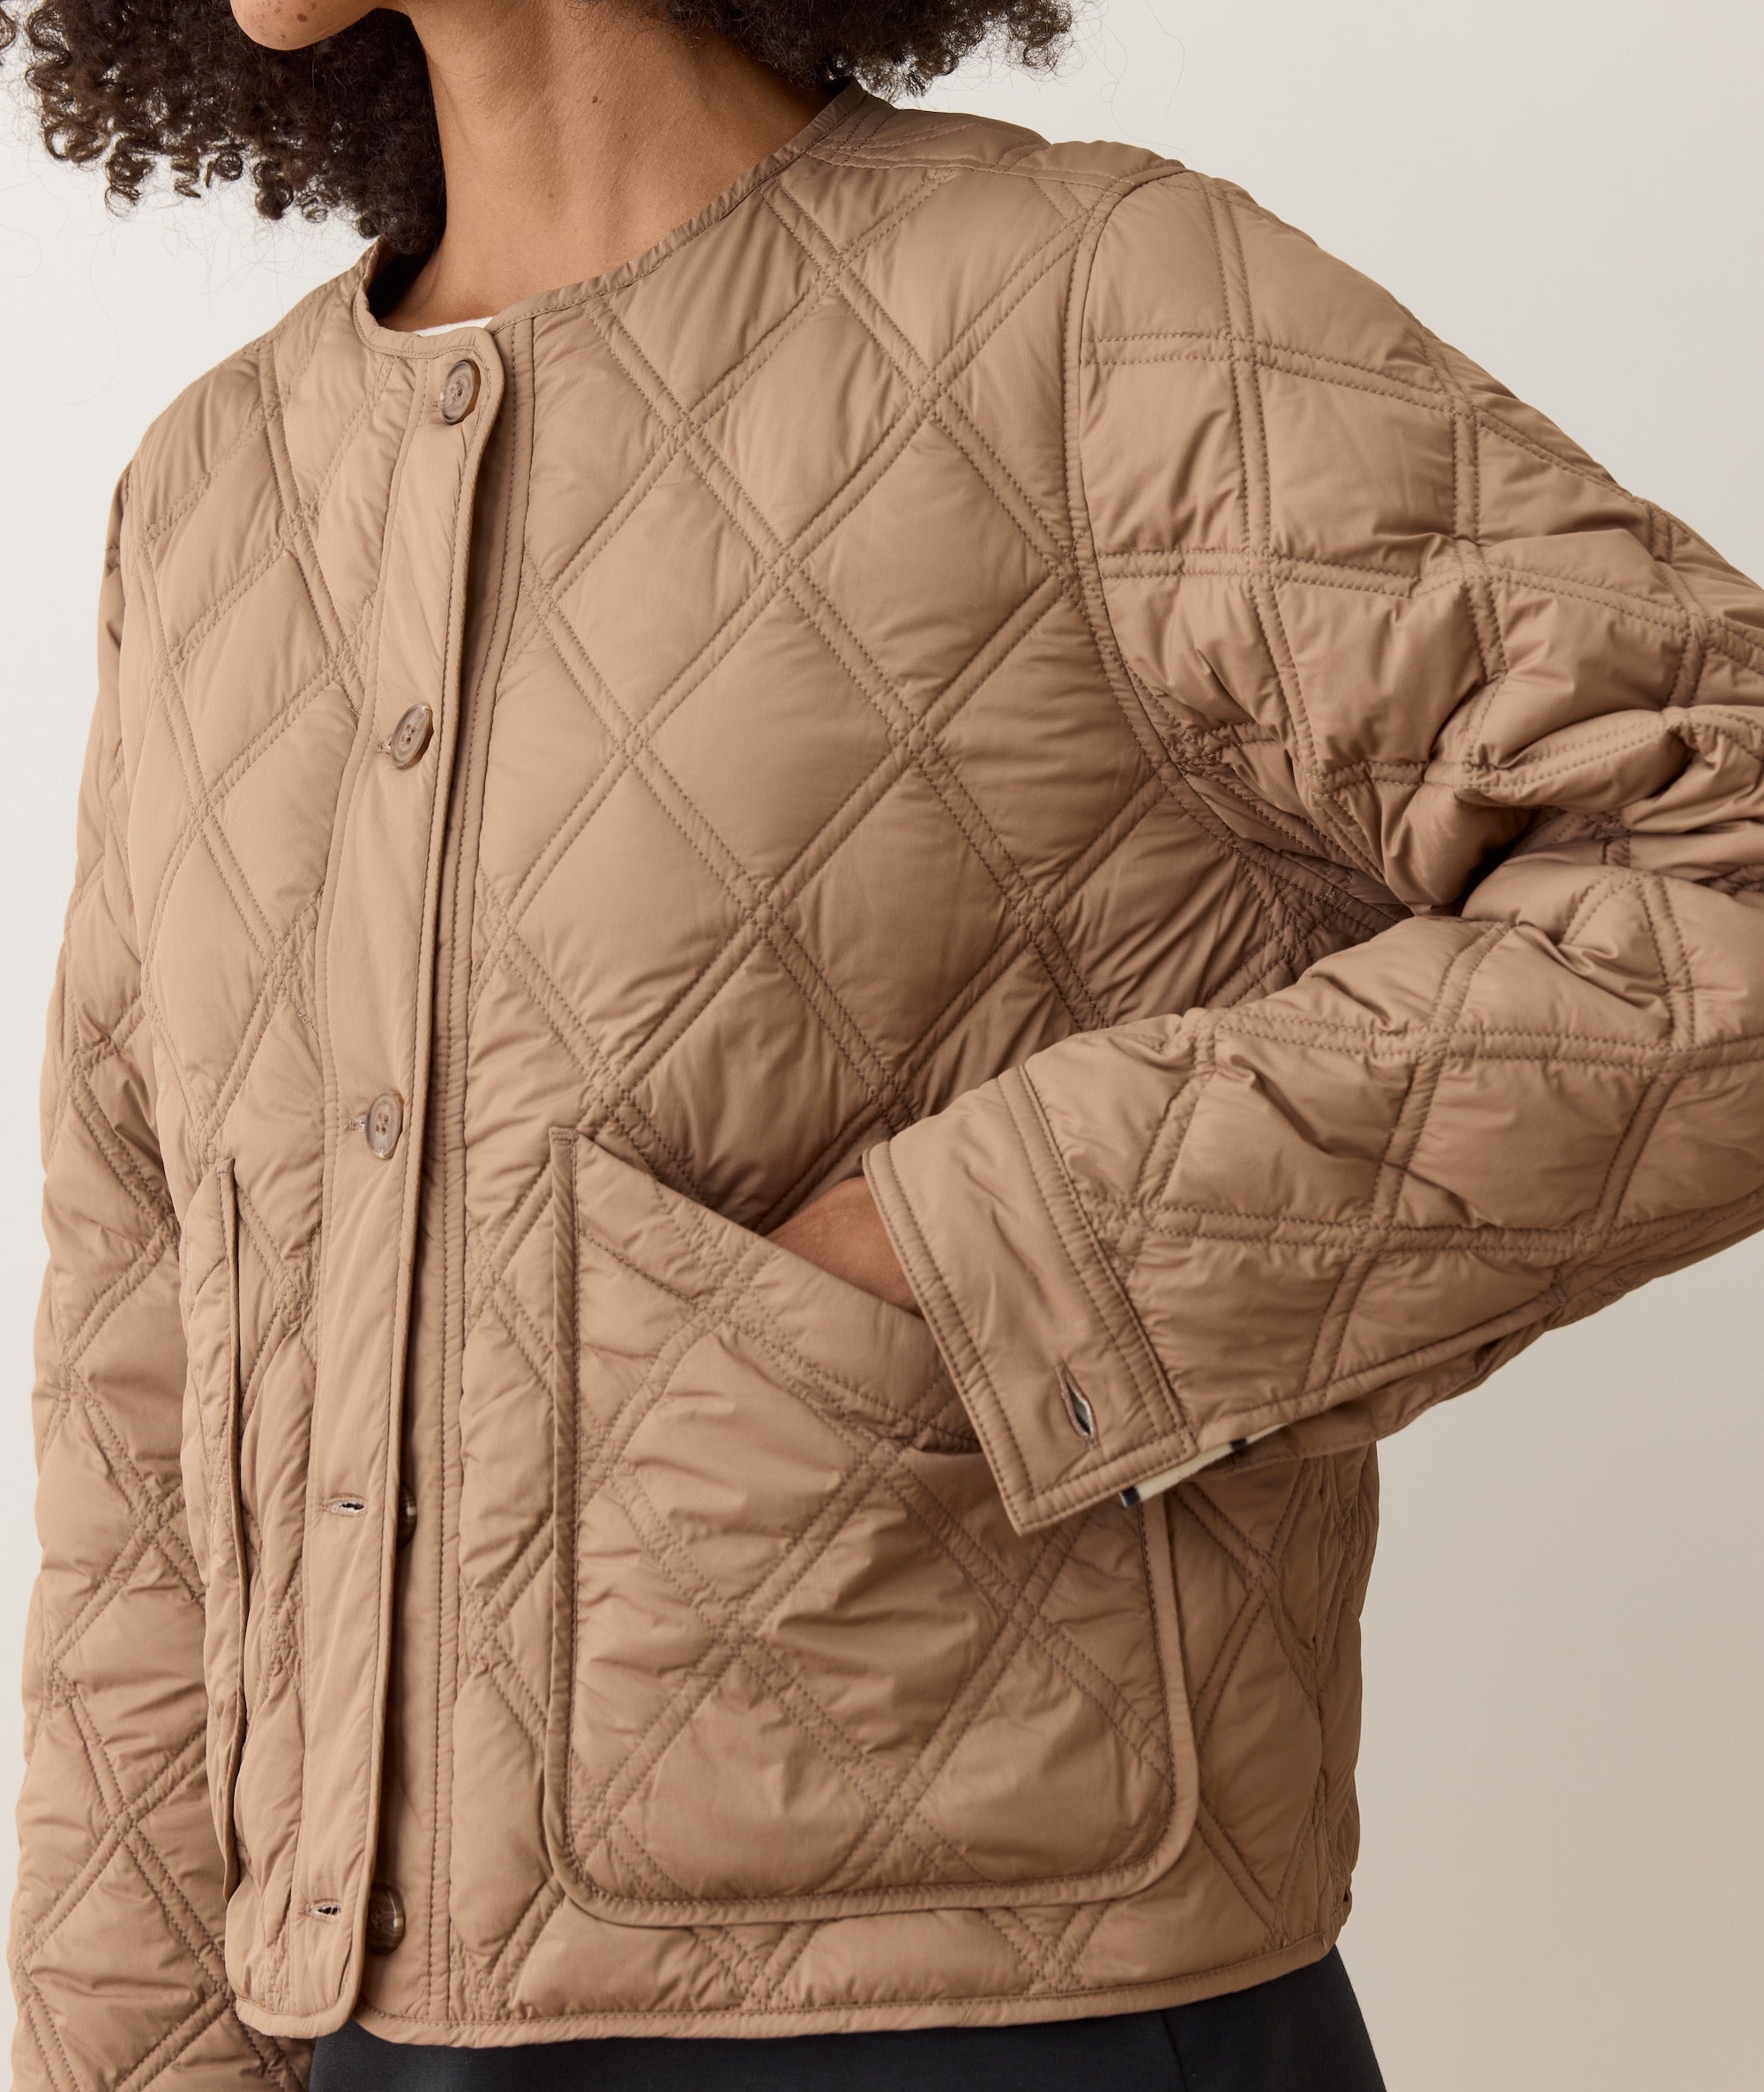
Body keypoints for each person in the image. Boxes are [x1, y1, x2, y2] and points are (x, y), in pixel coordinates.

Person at [5, 0, 1763, 2085]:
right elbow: (144, 1362)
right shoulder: (212, 494)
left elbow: (1723, 862)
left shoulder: (1080, 306)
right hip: (371, 2042)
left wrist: (1004, 1253)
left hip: (1010, 2010)